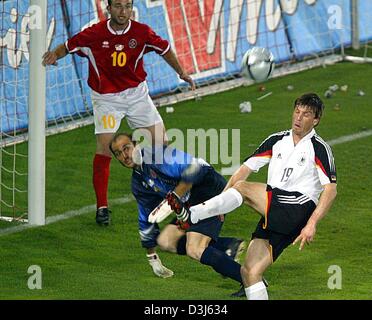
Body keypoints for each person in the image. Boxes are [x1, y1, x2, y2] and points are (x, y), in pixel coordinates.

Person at [42, 0, 195, 226]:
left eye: (127, 6)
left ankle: (173, 197)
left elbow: (165, 50)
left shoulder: (142, 32)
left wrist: (181, 72)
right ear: (109, 9)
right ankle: (102, 207)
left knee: (161, 146)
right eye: (118, 6)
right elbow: (67, 46)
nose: (123, 11)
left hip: (137, 96)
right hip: (106, 100)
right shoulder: (94, 34)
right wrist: (54, 54)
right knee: (104, 149)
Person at [189, 93, 338, 300]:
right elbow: (244, 169)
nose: (298, 117)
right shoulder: (276, 140)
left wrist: (312, 224)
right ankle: (206, 210)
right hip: (274, 211)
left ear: (316, 120)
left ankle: (195, 212)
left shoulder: (319, 148)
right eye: (297, 111)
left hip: (297, 208)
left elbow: (331, 190)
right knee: (249, 272)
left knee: (242, 188)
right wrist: (222, 202)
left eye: (306, 114)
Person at [109, 132, 249, 296]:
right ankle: (227, 246)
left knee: (194, 249)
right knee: (166, 240)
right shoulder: (138, 181)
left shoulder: (157, 155)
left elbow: (194, 169)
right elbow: (146, 217)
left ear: (136, 145)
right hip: (188, 201)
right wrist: (152, 257)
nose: (125, 156)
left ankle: (250, 281)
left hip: (209, 189)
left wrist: (175, 197)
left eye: (126, 148)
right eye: (118, 153)